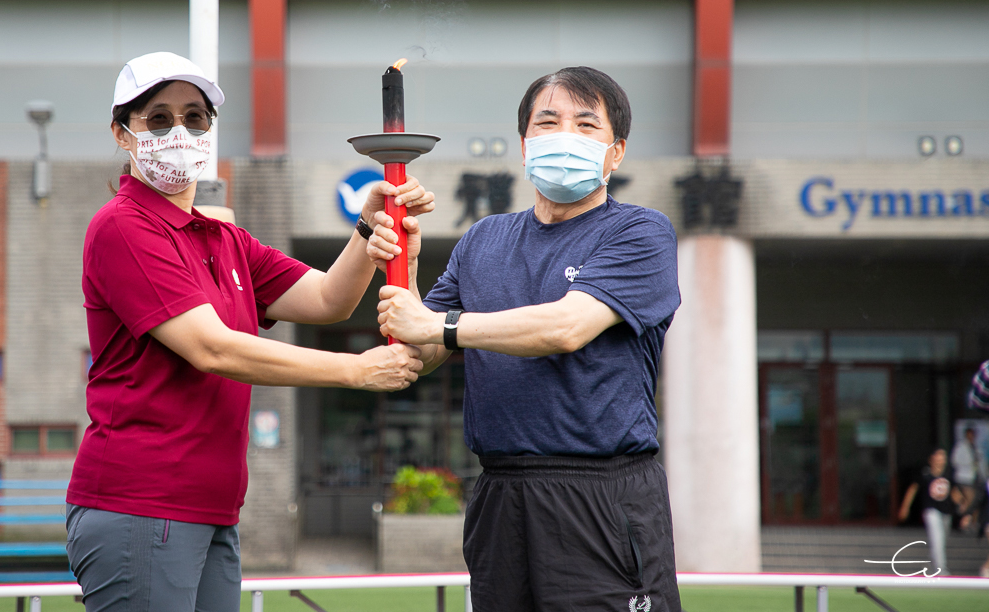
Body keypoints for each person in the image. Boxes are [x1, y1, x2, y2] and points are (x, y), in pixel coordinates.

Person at [65, 52, 431, 612]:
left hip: (213, 510)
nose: (179, 131)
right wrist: (358, 370)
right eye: (157, 119)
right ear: (122, 132)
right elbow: (210, 348)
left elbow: (330, 299)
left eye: (195, 117)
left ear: (211, 130)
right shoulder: (123, 226)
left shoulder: (225, 240)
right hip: (141, 504)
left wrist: (366, 226)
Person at [370, 66, 682, 611]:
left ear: (617, 153)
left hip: (601, 496)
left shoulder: (639, 232)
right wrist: (409, 275)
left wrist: (437, 324)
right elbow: (420, 351)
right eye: (548, 122)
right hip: (499, 495)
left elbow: (567, 327)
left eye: (587, 125)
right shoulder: (484, 239)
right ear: (523, 145)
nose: (565, 136)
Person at [898, 448, 958, 575]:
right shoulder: (925, 473)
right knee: (937, 538)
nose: (941, 460)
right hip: (931, 510)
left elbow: (954, 491)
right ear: (932, 458)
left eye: (943, 457)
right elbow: (913, 489)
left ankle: (931, 564)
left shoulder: (948, 473)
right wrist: (905, 507)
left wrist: (964, 505)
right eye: (939, 456)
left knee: (941, 540)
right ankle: (941, 570)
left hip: (946, 511)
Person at [952, 426, 982, 510]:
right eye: (969, 435)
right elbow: (954, 460)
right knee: (968, 499)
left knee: (976, 499)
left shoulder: (975, 446)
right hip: (963, 477)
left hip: (974, 477)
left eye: (973, 435)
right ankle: (963, 517)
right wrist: (969, 463)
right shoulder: (960, 446)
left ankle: (968, 518)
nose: (971, 437)